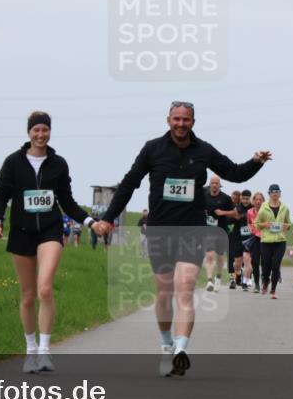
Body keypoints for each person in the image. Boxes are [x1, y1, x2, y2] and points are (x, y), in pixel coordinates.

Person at [91, 101, 270, 377]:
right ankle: (166, 346)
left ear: (193, 122)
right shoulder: (152, 149)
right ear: (168, 120)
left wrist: (256, 162)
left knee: (184, 288)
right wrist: (108, 217)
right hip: (160, 229)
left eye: (186, 120)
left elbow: (234, 172)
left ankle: (181, 350)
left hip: (192, 230)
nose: (181, 124)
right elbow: (129, 183)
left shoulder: (204, 151)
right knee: (164, 293)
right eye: (176, 119)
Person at [0, 111, 95, 373]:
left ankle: (46, 352)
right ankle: (31, 350)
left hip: (50, 229)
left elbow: (67, 201)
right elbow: (1, 196)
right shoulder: (13, 162)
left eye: (45, 130)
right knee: (27, 296)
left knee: (44, 288)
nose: (40, 135)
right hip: (22, 231)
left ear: (50, 132)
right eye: (36, 130)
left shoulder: (58, 163)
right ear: (28, 132)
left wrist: (90, 222)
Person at [256, 185, 291, 298]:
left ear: (280, 194)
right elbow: (256, 224)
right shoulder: (263, 207)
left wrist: (287, 226)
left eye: (277, 191)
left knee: (276, 265)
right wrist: (264, 224)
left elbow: (289, 224)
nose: (275, 193)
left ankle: (273, 290)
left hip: (280, 241)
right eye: (273, 192)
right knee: (266, 266)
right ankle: (266, 281)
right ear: (269, 194)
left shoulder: (285, 208)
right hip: (266, 241)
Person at [203, 175, 236, 292]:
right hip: (208, 231)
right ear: (210, 184)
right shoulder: (204, 196)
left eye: (217, 183)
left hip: (221, 230)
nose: (215, 185)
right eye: (212, 183)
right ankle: (209, 281)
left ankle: (218, 277)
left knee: (220, 257)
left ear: (219, 185)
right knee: (210, 255)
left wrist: (223, 212)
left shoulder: (226, 198)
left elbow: (235, 214)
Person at [226, 190, 246, 289]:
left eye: (235, 199)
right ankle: (232, 279)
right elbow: (226, 220)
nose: (233, 200)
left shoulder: (242, 209)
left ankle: (239, 275)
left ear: (239, 200)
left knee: (241, 259)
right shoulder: (228, 208)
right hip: (230, 235)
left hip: (241, 236)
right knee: (231, 258)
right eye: (232, 198)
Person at [245, 191, 265, 293]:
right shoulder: (249, 212)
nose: (258, 201)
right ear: (253, 201)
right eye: (256, 199)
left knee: (265, 262)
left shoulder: (266, 211)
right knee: (255, 262)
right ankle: (257, 284)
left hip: (265, 238)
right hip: (254, 238)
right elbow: (248, 222)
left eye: (260, 200)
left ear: (263, 201)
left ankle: (264, 278)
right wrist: (250, 228)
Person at [235, 189, 254, 289]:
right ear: (241, 198)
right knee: (237, 263)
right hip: (238, 238)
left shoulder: (253, 208)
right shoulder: (237, 208)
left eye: (247, 199)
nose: (245, 201)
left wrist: (242, 216)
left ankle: (247, 279)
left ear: (250, 199)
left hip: (250, 239)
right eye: (243, 199)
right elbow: (231, 218)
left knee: (247, 260)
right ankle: (238, 273)